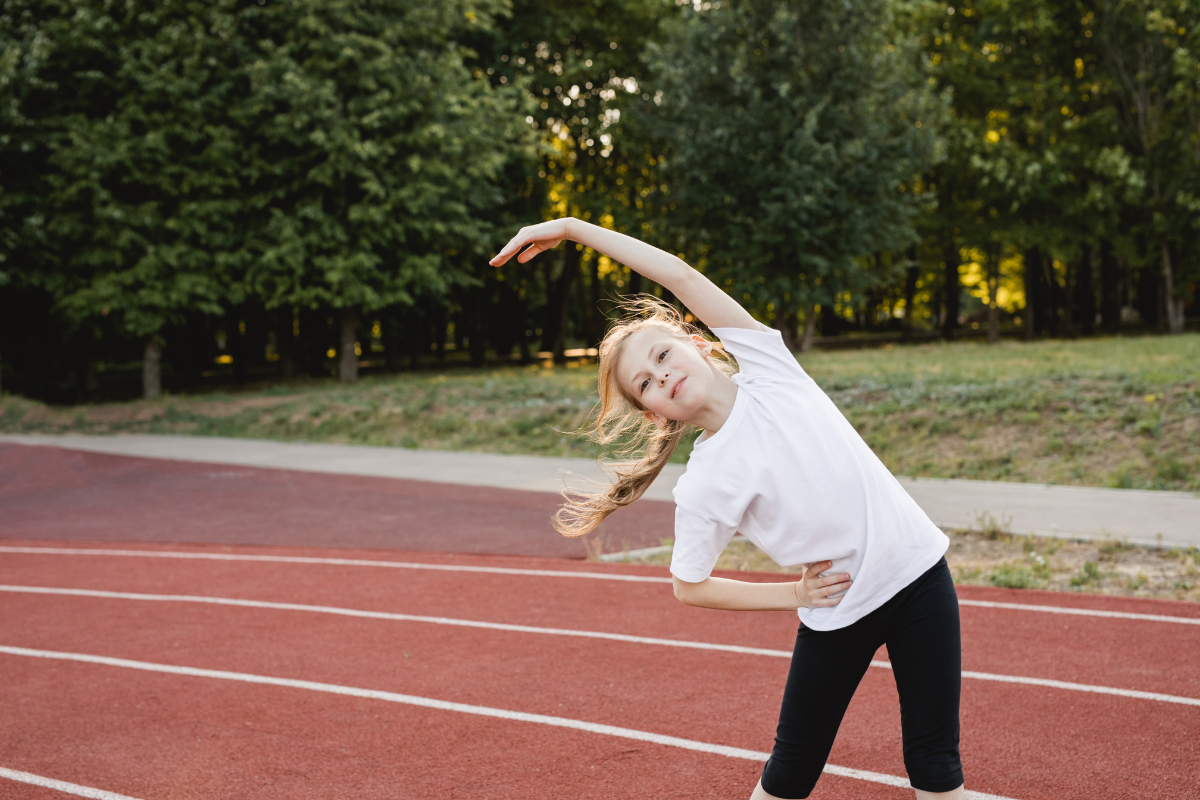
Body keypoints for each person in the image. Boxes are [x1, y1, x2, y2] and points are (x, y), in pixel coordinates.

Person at [490, 218, 965, 800]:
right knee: (789, 776)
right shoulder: (704, 484)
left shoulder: (769, 368)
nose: (661, 374)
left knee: (936, 767)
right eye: (646, 383)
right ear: (653, 413)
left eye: (662, 355)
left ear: (696, 343)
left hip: (920, 578)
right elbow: (689, 585)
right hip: (839, 611)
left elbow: (679, 273)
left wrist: (574, 229)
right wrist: (792, 595)